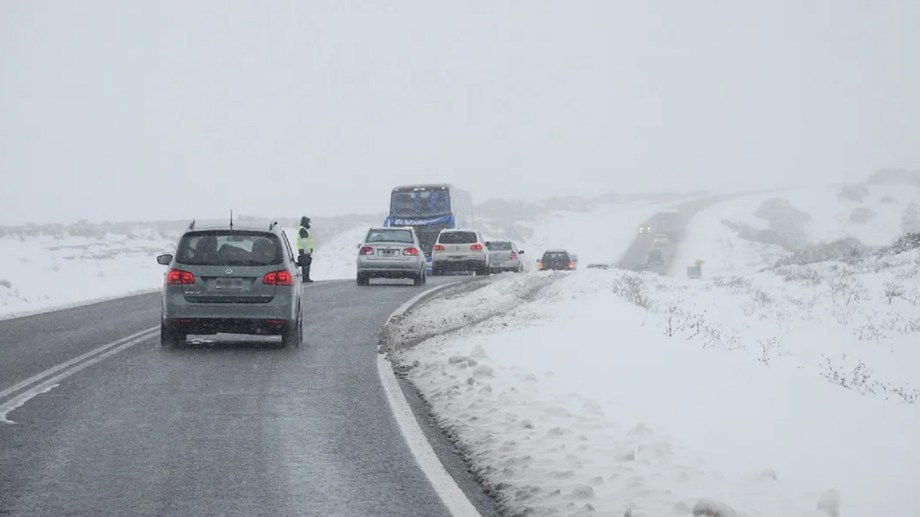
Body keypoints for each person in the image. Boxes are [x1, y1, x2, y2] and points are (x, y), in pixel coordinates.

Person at [296, 216, 315, 282]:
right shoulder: (303, 230)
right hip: (304, 249)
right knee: (306, 263)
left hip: (303, 249)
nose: (309, 224)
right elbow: (304, 241)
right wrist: (307, 250)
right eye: (308, 223)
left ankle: (305, 277)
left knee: (305, 262)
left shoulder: (303, 229)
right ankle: (305, 278)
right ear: (305, 223)